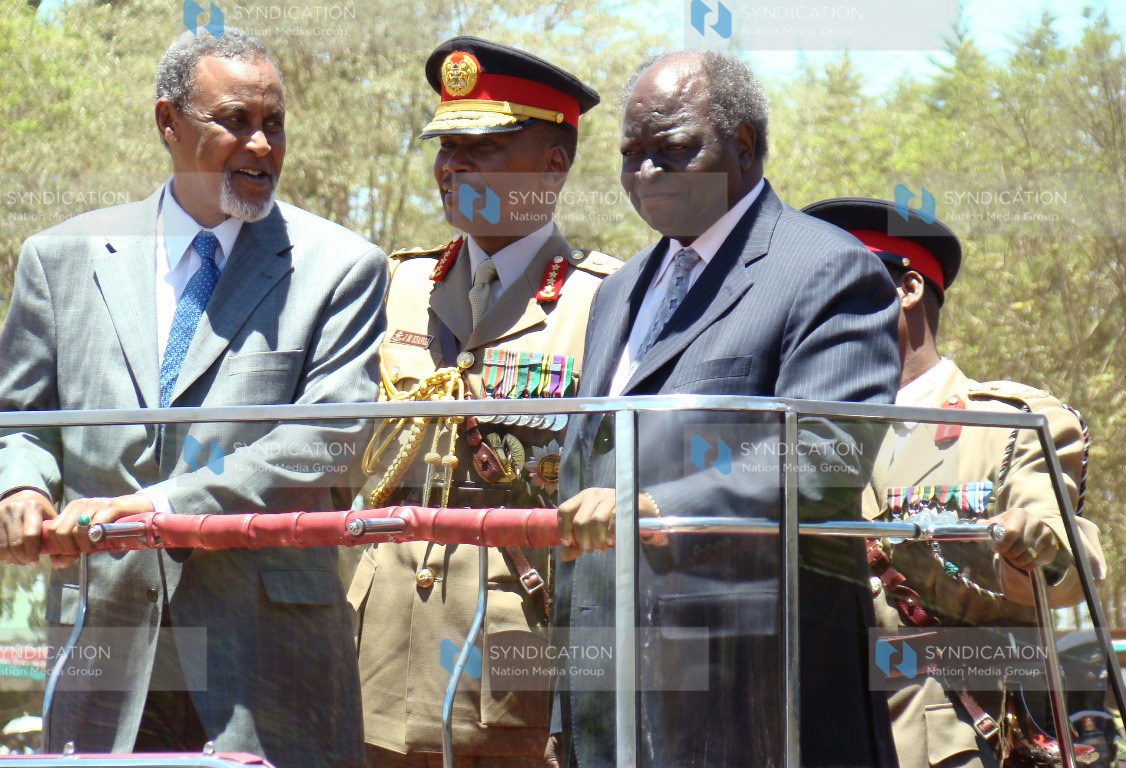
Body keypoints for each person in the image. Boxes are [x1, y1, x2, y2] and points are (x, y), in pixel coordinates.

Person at [0, 28, 386, 767]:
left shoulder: (342, 268)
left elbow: (329, 438)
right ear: (167, 123)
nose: (262, 145)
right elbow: (21, 422)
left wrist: (160, 507)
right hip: (105, 648)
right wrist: (21, 485)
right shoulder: (59, 260)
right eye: (235, 121)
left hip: (268, 664)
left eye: (274, 123)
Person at [550, 51, 901, 768]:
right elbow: (590, 470)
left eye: (673, 148)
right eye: (631, 154)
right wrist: (570, 705)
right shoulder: (617, 292)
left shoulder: (826, 270)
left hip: (754, 706)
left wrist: (662, 506)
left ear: (742, 146)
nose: (647, 171)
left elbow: (826, 454)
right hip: (613, 706)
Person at [346, 37, 619, 768]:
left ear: (553, 165)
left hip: (515, 655)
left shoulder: (606, 302)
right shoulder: (395, 286)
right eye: (447, 146)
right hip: (378, 652)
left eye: (483, 147)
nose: (453, 166)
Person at [803, 196, 1107, 768]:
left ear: (907, 289)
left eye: (837, 289)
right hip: (814, 732)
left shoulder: (1007, 426)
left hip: (953, 741)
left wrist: (1032, 546)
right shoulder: (800, 436)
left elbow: (1065, 569)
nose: (816, 310)